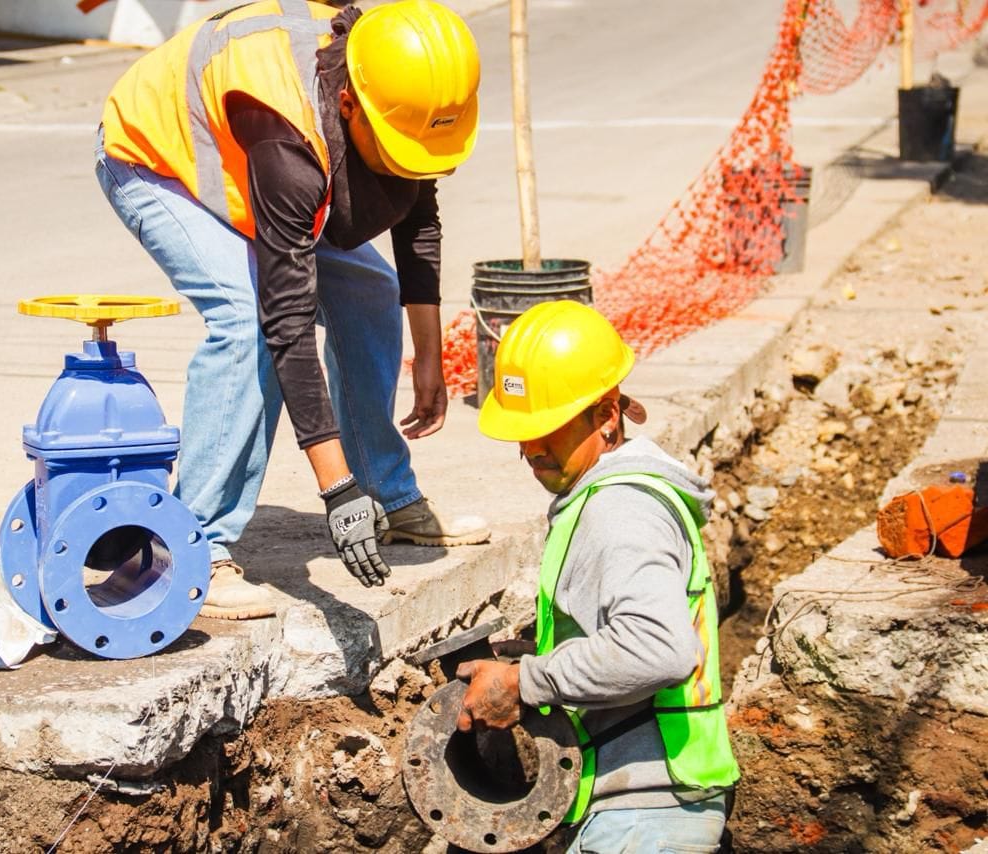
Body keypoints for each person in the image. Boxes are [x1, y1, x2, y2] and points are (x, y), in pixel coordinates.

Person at [95, 0, 490, 620]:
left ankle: (389, 494)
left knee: (368, 291)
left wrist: (430, 363)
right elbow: (287, 322)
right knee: (245, 319)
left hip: (260, 166)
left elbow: (419, 224)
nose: (401, 164)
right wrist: (335, 490)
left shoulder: (404, 87)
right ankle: (192, 549)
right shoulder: (287, 132)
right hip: (157, 159)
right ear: (350, 103)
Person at [455, 300, 740, 852]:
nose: (529, 449)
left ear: (606, 416)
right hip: (647, 812)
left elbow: (659, 648)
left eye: (547, 429)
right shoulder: (603, 498)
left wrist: (524, 683)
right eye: (522, 431)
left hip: (648, 819)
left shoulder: (620, 510)